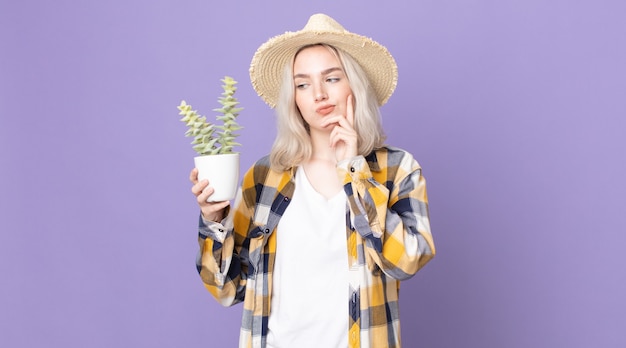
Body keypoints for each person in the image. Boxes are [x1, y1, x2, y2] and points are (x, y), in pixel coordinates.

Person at [189, 13, 435, 348]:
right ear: (294, 98)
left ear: (355, 84)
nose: (318, 94)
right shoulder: (265, 177)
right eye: (303, 84)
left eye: (332, 78)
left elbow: (407, 261)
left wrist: (353, 170)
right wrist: (214, 220)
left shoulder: (397, 169)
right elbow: (228, 288)